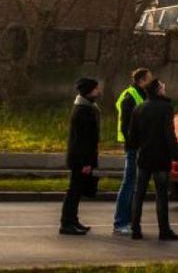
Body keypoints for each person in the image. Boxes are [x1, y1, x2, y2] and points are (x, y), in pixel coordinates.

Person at [128, 78, 178, 241]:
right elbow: (169, 134)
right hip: (160, 158)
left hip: (144, 157)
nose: (165, 88)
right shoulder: (166, 108)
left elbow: (132, 136)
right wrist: (177, 156)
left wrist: (138, 148)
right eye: (163, 86)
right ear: (158, 90)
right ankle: (164, 230)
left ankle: (135, 229)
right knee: (161, 195)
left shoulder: (139, 108)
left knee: (139, 194)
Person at [113, 67, 152, 235]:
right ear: (142, 80)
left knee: (132, 184)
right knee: (128, 184)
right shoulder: (130, 96)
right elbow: (126, 124)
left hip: (138, 146)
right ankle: (121, 222)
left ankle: (127, 221)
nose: (151, 82)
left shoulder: (141, 95)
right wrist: (133, 145)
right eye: (149, 79)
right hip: (133, 147)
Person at [60, 77, 101, 236]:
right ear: (89, 91)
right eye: (96, 89)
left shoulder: (87, 108)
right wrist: (86, 162)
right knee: (74, 191)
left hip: (82, 158)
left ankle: (72, 220)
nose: (99, 91)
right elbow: (83, 140)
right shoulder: (83, 111)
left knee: (76, 191)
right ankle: (67, 223)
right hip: (80, 159)